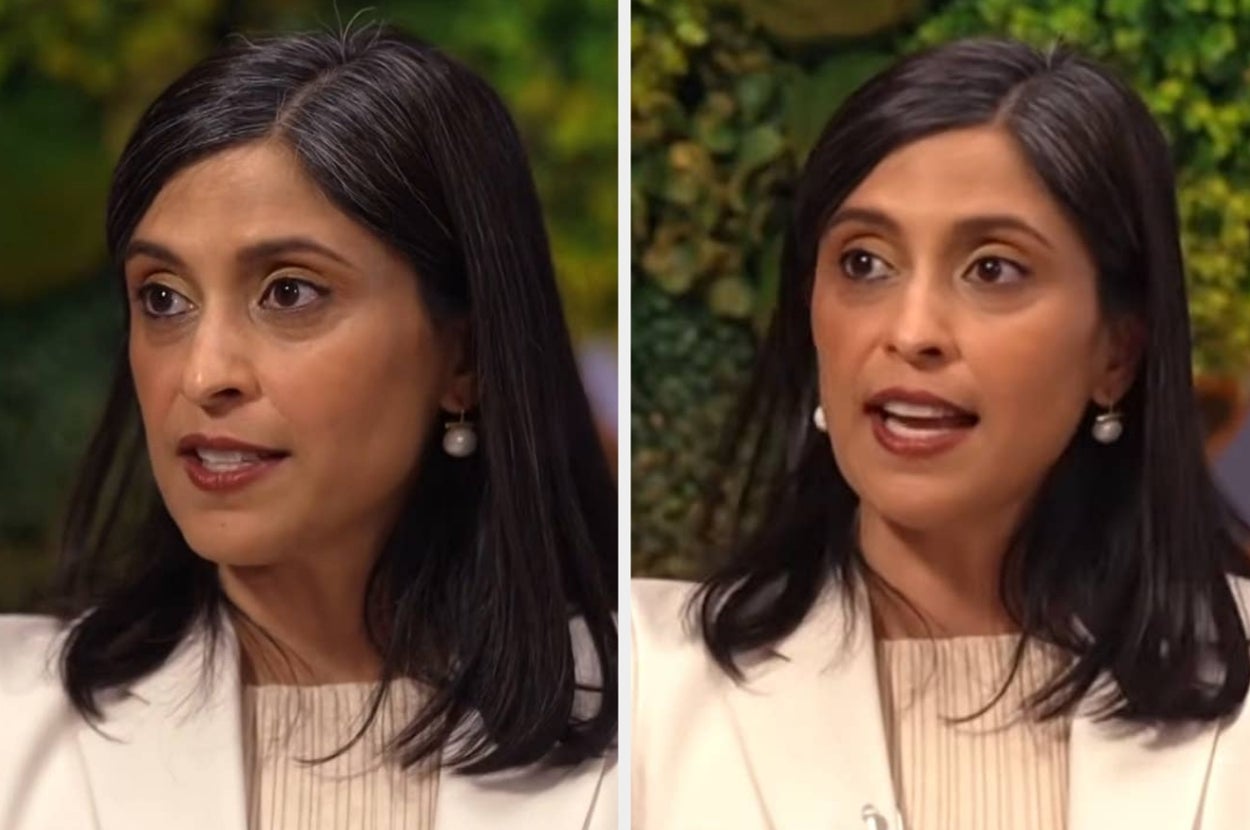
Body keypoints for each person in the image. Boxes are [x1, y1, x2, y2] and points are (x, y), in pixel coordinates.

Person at [0, 24, 617, 830]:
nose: (202, 373)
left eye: (289, 292)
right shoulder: (17, 726)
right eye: (164, 298)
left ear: (463, 357)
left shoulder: (645, 731)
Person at [632, 38, 1250, 830]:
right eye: (864, 262)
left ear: (1116, 352)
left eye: (993, 269)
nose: (912, 331)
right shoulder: (643, 685)